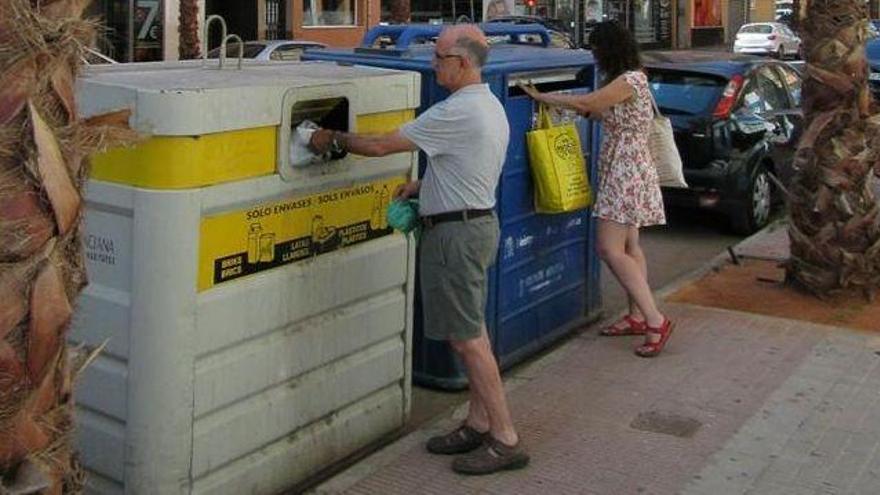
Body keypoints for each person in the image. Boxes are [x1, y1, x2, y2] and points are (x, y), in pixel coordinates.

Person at [309, 24, 529, 474]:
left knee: (467, 342)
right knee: (474, 333)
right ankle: (478, 420)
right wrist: (424, 186)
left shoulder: (458, 111)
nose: (433, 65)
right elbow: (471, 168)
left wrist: (329, 138)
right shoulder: (488, 106)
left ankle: (505, 437)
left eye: (439, 59)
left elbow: (378, 144)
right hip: (475, 225)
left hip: (456, 237)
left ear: (462, 63)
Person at [519, 20, 673, 357]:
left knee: (609, 248)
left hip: (625, 172)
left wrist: (541, 96)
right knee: (630, 246)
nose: (593, 54)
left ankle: (655, 320)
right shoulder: (632, 79)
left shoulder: (629, 79)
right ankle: (636, 316)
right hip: (628, 167)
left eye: (596, 48)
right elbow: (610, 115)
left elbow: (588, 103)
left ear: (608, 49)